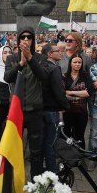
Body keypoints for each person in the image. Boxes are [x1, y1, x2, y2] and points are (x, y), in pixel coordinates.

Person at [4, 26, 49, 178]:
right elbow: (7, 77)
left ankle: (35, 182)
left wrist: (30, 58)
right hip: (16, 110)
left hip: (35, 110)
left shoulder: (41, 58)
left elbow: (43, 76)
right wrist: (21, 63)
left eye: (29, 37)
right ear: (18, 40)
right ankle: (11, 181)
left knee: (36, 151)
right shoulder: (12, 58)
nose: (25, 40)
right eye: (22, 37)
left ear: (33, 40)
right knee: (12, 148)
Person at [41, 43, 70, 173]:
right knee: (51, 143)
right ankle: (52, 172)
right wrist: (66, 106)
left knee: (44, 141)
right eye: (57, 51)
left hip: (41, 109)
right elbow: (59, 91)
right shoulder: (54, 69)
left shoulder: (41, 67)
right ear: (49, 54)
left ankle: (43, 168)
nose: (60, 52)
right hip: (52, 110)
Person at [63, 53, 94, 149]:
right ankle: (67, 158)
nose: (77, 64)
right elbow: (62, 93)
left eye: (79, 62)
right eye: (75, 62)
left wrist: (70, 92)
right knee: (66, 135)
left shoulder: (85, 76)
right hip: (67, 111)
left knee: (79, 136)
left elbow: (88, 93)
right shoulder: (64, 76)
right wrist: (80, 94)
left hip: (81, 111)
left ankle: (80, 157)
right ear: (70, 63)